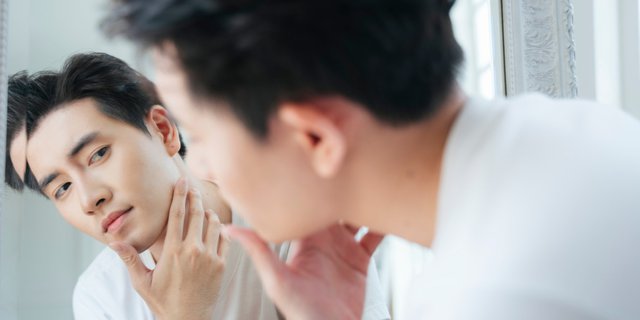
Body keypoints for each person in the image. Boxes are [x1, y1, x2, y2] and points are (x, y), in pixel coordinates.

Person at [102, 0, 640, 319]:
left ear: (314, 138)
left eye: (199, 134)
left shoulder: (488, 296)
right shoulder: (573, 132)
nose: (203, 169)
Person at [5, 52, 389, 319]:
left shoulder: (297, 230)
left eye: (98, 155)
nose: (90, 198)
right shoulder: (101, 298)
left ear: (163, 129)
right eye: (62, 189)